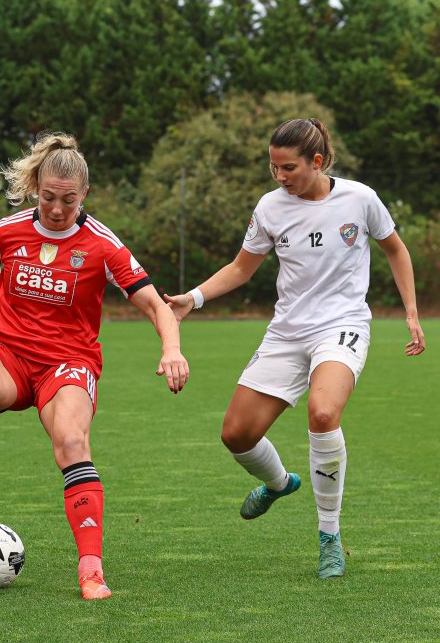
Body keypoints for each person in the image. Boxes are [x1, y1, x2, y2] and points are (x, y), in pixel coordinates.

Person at [0, 132, 189, 600]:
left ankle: (91, 571)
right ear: (36, 189)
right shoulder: (6, 231)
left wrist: (171, 350)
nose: (57, 209)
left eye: (68, 200)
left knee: (71, 441)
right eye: (48, 197)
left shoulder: (102, 244)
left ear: (84, 194)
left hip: (67, 364)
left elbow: (155, 305)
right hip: (7, 353)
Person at [163, 118, 426, 579]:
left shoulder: (360, 199)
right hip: (287, 333)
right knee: (236, 434)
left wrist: (410, 312)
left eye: (288, 168)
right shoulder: (270, 208)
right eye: (273, 168)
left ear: (317, 162)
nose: (280, 177)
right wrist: (195, 298)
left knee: (323, 414)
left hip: (342, 327)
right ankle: (279, 483)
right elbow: (242, 269)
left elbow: (396, 250)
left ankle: (329, 537)